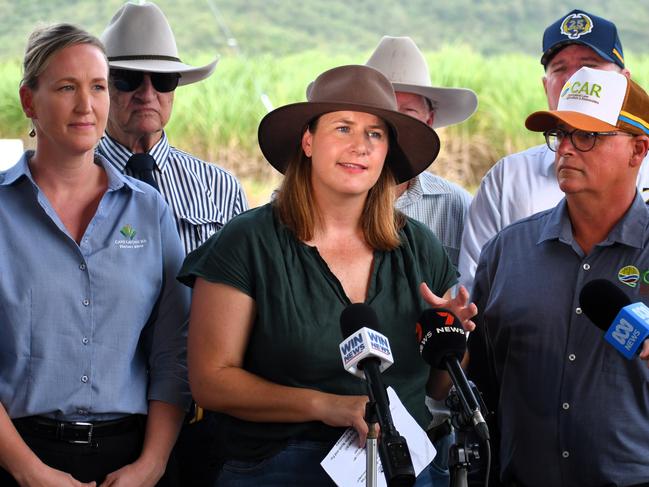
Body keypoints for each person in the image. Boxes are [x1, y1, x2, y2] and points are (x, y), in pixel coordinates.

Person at [178, 64, 477, 486]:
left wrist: (453, 341)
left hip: (405, 465)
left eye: (375, 134)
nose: (360, 146)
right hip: (278, 466)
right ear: (307, 141)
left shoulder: (419, 246)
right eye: (343, 129)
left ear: (387, 151)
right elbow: (211, 381)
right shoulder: (248, 241)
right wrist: (326, 405)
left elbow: (440, 386)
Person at [0, 24, 190, 486]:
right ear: (30, 101)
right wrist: (30, 472)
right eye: (67, 87)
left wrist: (152, 465)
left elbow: (174, 351)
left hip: (131, 460)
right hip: (14, 457)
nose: (86, 105)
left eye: (98, 87)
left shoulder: (150, 211)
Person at [468, 66, 649, 486]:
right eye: (560, 133)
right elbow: (479, 385)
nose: (565, 149)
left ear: (637, 150)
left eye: (586, 135)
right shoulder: (505, 252)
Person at [98, 3, 249, 485]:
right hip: (103, 418)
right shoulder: (66, 184)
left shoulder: (219, 187)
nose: (147, 93)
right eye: (128, 79)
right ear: (101, 86)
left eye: (162, 82)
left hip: (203, 419)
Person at [458, 8, 649, 293]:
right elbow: (475, 301)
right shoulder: (507, 180)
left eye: (588, 136)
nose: (575, 79)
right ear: (546, 85)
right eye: (560, 69)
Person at [364, 35, 477, 486]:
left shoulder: (458, 206)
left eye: (406, 115)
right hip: (336, 413)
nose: (392, 130)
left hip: (427, 417)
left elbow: (465, 310)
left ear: (429, 122)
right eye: (379, 117)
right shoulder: (312, 203)